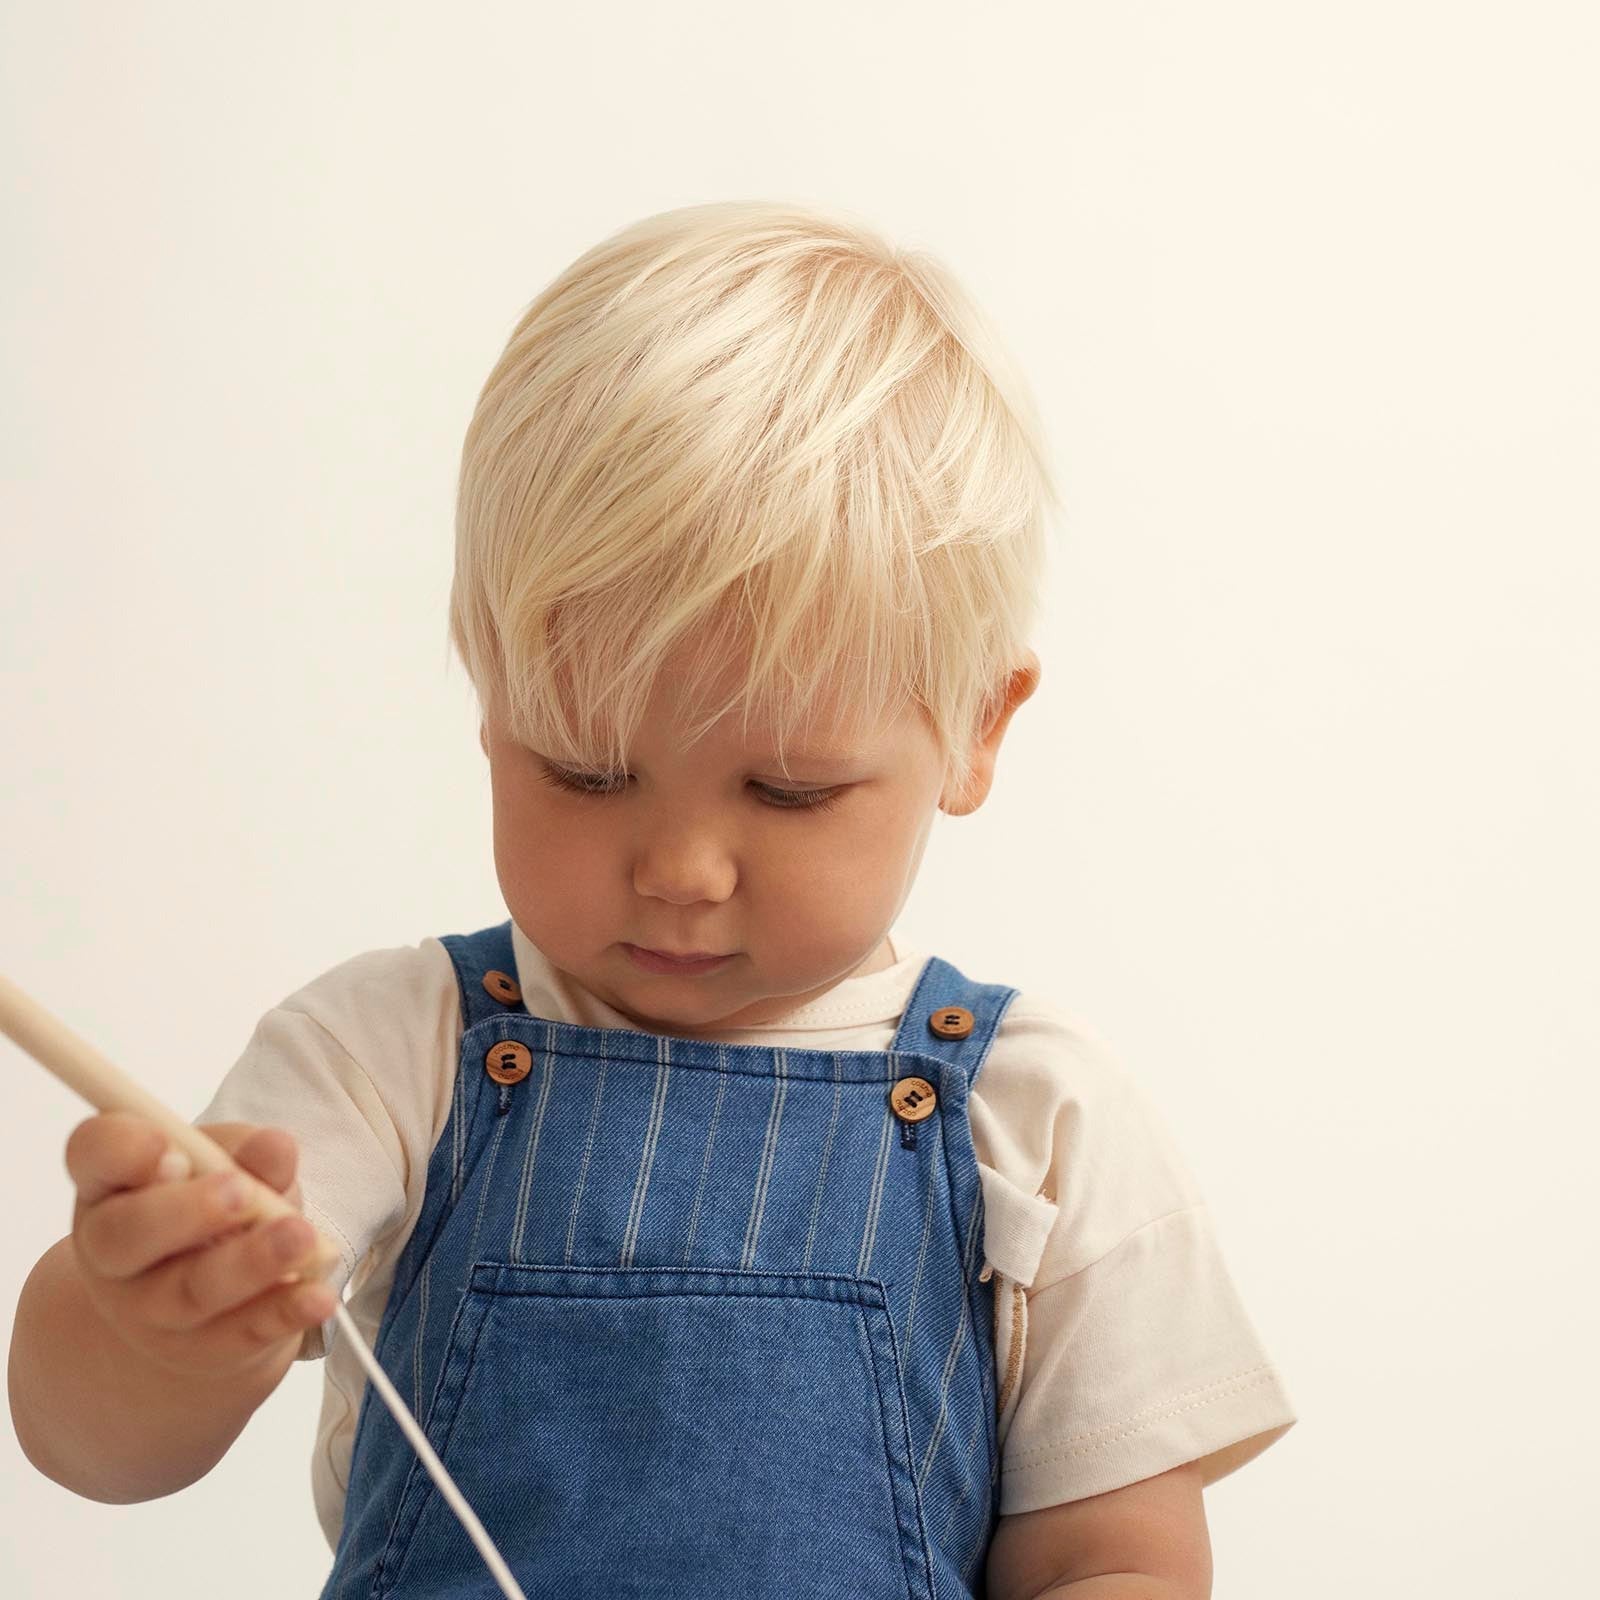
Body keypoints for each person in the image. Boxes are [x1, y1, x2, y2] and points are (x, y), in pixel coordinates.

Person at [10, 200, 1296, 1598]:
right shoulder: (391, 1055)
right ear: (491, 712)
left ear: (979, 728)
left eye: (789, 791)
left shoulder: (1038, 1119)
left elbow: (1120, 1559)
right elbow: (94, 1447)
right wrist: (153, 1330)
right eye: (584, 770)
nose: (680, 868)